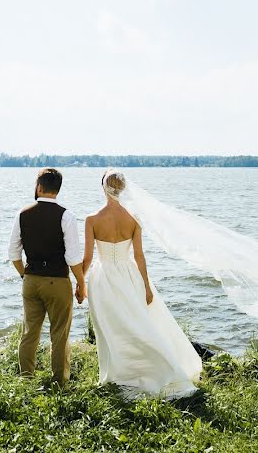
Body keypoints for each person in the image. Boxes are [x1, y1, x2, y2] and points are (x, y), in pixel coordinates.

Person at [83, 170, 202, 399]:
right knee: (137, 323)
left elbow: (88, 258)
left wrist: (78, 280)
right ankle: (149, 369)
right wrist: (146, 286)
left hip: (103, 278)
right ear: (123, 189)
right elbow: (139, 256)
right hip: (129, 275)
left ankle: (117, 375)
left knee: (110, 327)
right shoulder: (133, 218)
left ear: (103, 188)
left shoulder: (92, 219)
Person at [8, 168, 86, 386]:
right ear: (57, 190)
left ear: (39, 187)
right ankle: (59, 384)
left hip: (31, 280)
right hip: (57, 281)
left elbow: (13, 254)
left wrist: (25, 275)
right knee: (59, 335)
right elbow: (72, 258)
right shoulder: (66, 216)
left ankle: (26, 380)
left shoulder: (22, 214)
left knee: (29, 333)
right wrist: (81, 283)